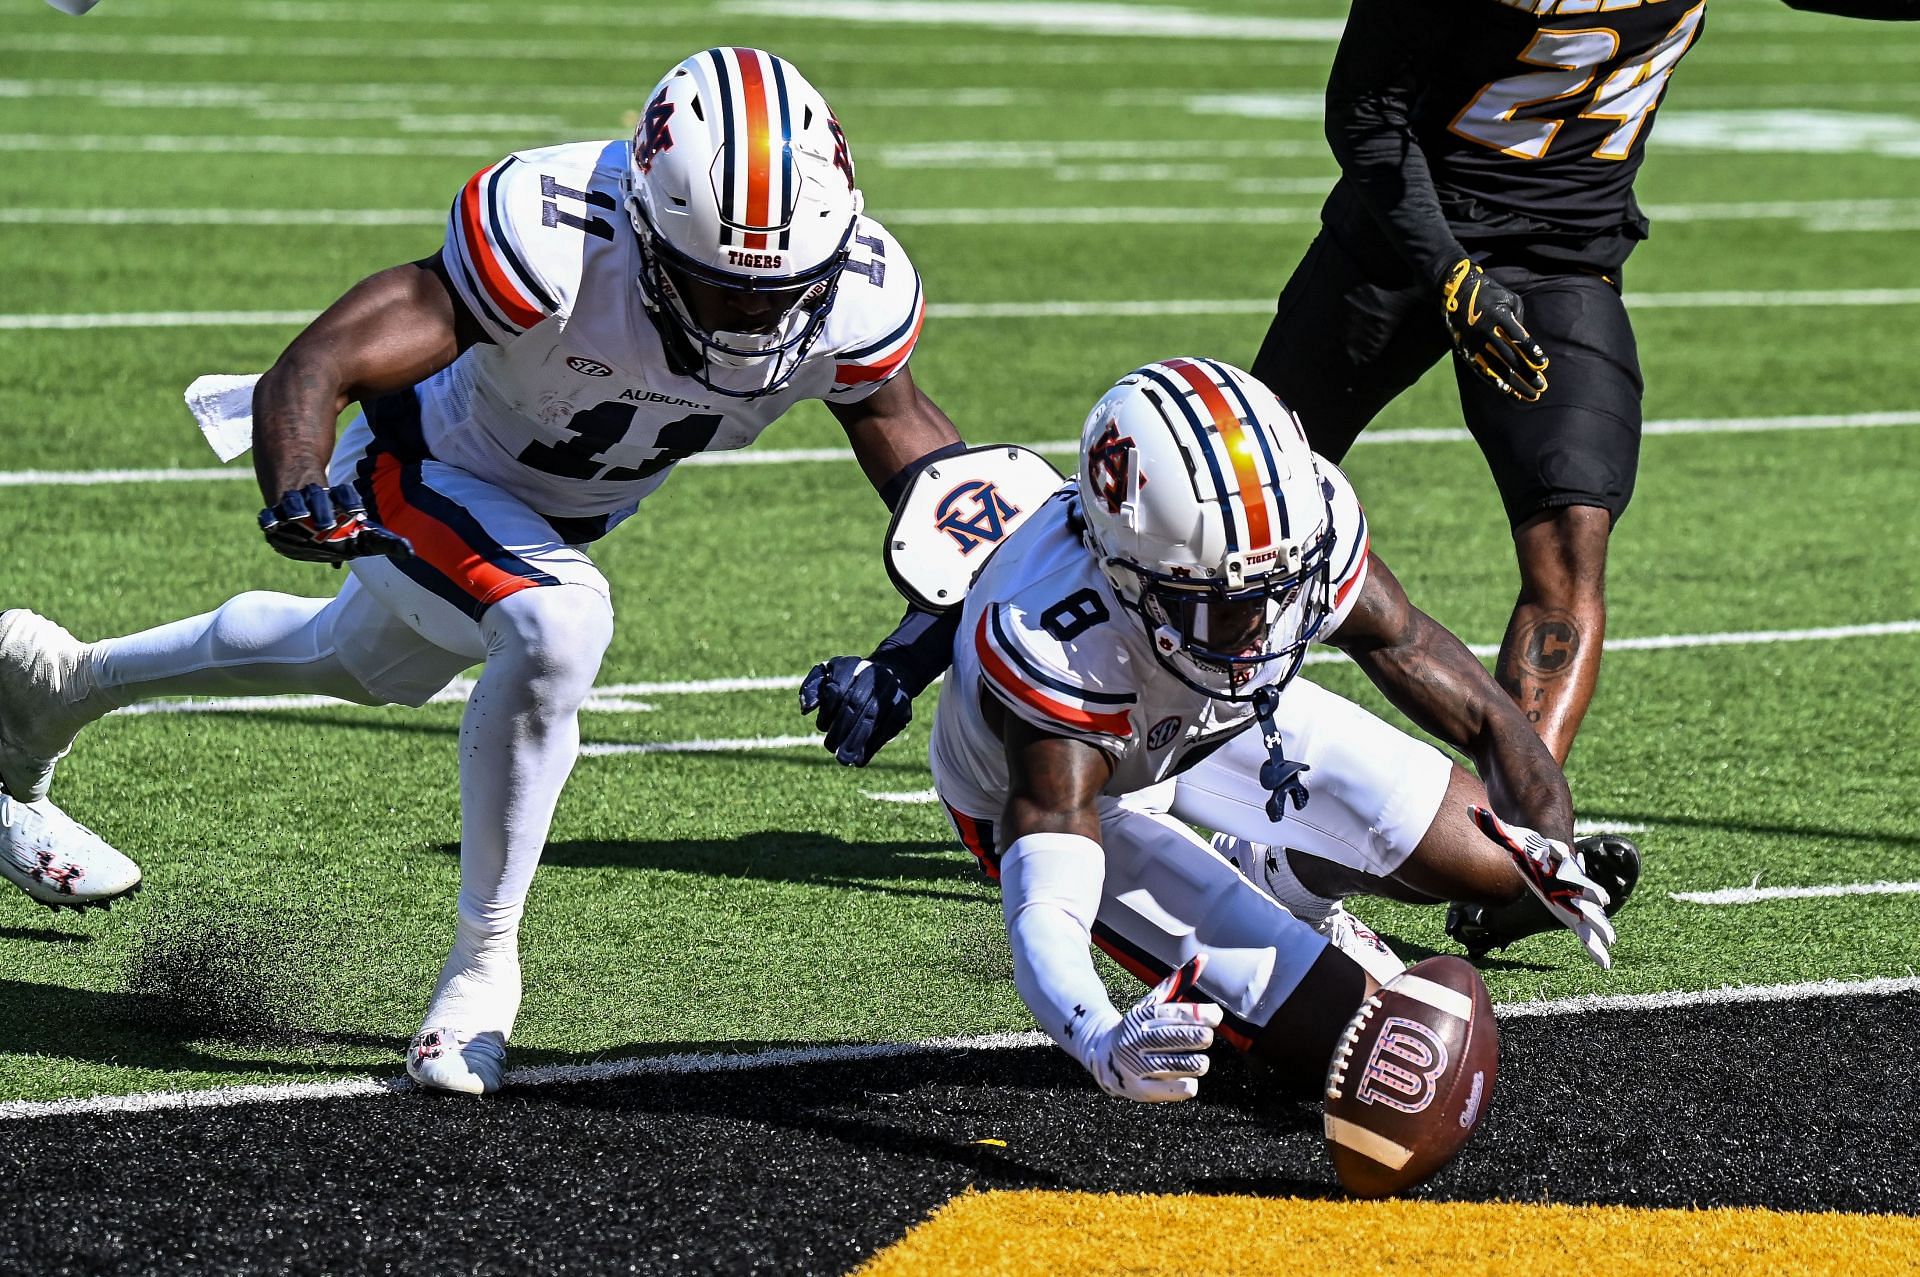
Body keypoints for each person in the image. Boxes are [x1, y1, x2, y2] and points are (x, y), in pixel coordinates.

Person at [0, 47, 964, 1094]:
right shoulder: (554, 236)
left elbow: (949, 508)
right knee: (557, 622)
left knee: (357, 659)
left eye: (780, 290)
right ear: (644, 226)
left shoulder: (858, 300)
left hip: (546, 511)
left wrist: (914, 653)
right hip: (421, 463)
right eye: (716, 289)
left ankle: (57, 680)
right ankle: (481, 967)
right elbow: (319, 362)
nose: (753, 320)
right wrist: (296, 478)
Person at [1247, 0, 1915, 954]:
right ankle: (1106, 748)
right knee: (1251, 504)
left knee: (1571, 544)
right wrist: (1450, 276)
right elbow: (1364, 108)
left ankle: (1513, 854)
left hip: (1566, 257)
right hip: (1402, 240)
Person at [926, 357, 1620, 1097]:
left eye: (1276, 590)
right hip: (1089, 783)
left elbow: (1446, 678)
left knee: (1489, 863)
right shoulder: (1059, 642)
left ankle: (1283, 879)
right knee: (1363, 1050)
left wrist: (1546, 831)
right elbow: (1048, 903)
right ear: (1128, 577)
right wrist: (1096, 1033)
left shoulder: (1286, 536)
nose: (1260, 625)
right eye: (1223, 603)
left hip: (1203, 713)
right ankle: (1278, 936)